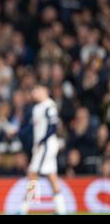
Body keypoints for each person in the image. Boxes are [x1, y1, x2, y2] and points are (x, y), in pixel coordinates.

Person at [19, 85, 67, 214]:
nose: (34, 93)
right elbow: (31, 127)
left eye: (37, 90)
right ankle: (61, 209)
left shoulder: (49, 105)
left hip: (46, 146)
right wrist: (18, 132)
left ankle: (24, 208)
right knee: (52, 177)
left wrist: (42, 140)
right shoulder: (37, 108)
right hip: (41, 145)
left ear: (44, 91)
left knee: (32, 173)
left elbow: (53, 126)